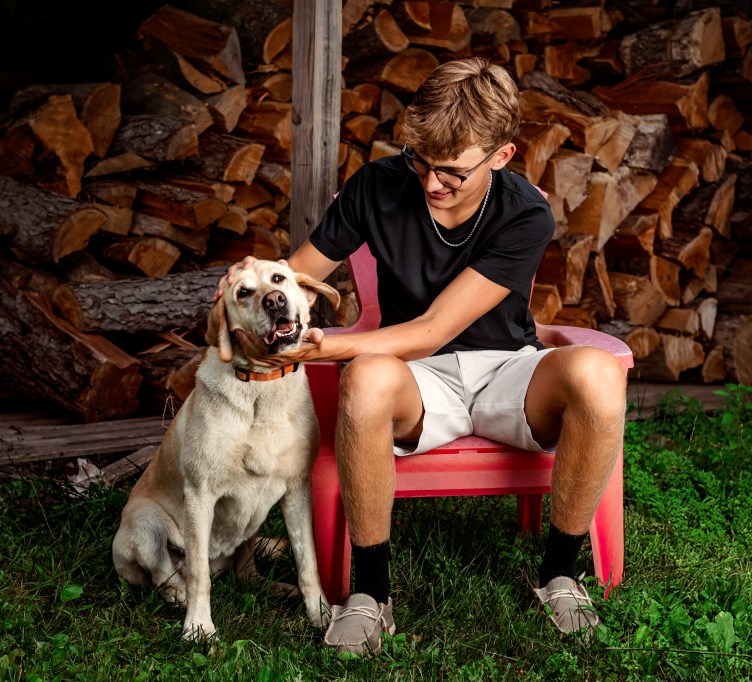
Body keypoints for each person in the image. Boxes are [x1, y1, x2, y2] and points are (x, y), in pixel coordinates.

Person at [216, 57, 627, 655]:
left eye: (454, 172)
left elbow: (435, 328)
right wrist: (253, 281)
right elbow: (298, 275)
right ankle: (370, 594)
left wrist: (325, 345)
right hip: (416, 378)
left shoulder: (525, 213)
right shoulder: (377, 187)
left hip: (507, 367)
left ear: (503, 156)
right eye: (420, 161)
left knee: (597, 372)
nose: (433, 182)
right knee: (366, 381)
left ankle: (561, 575)